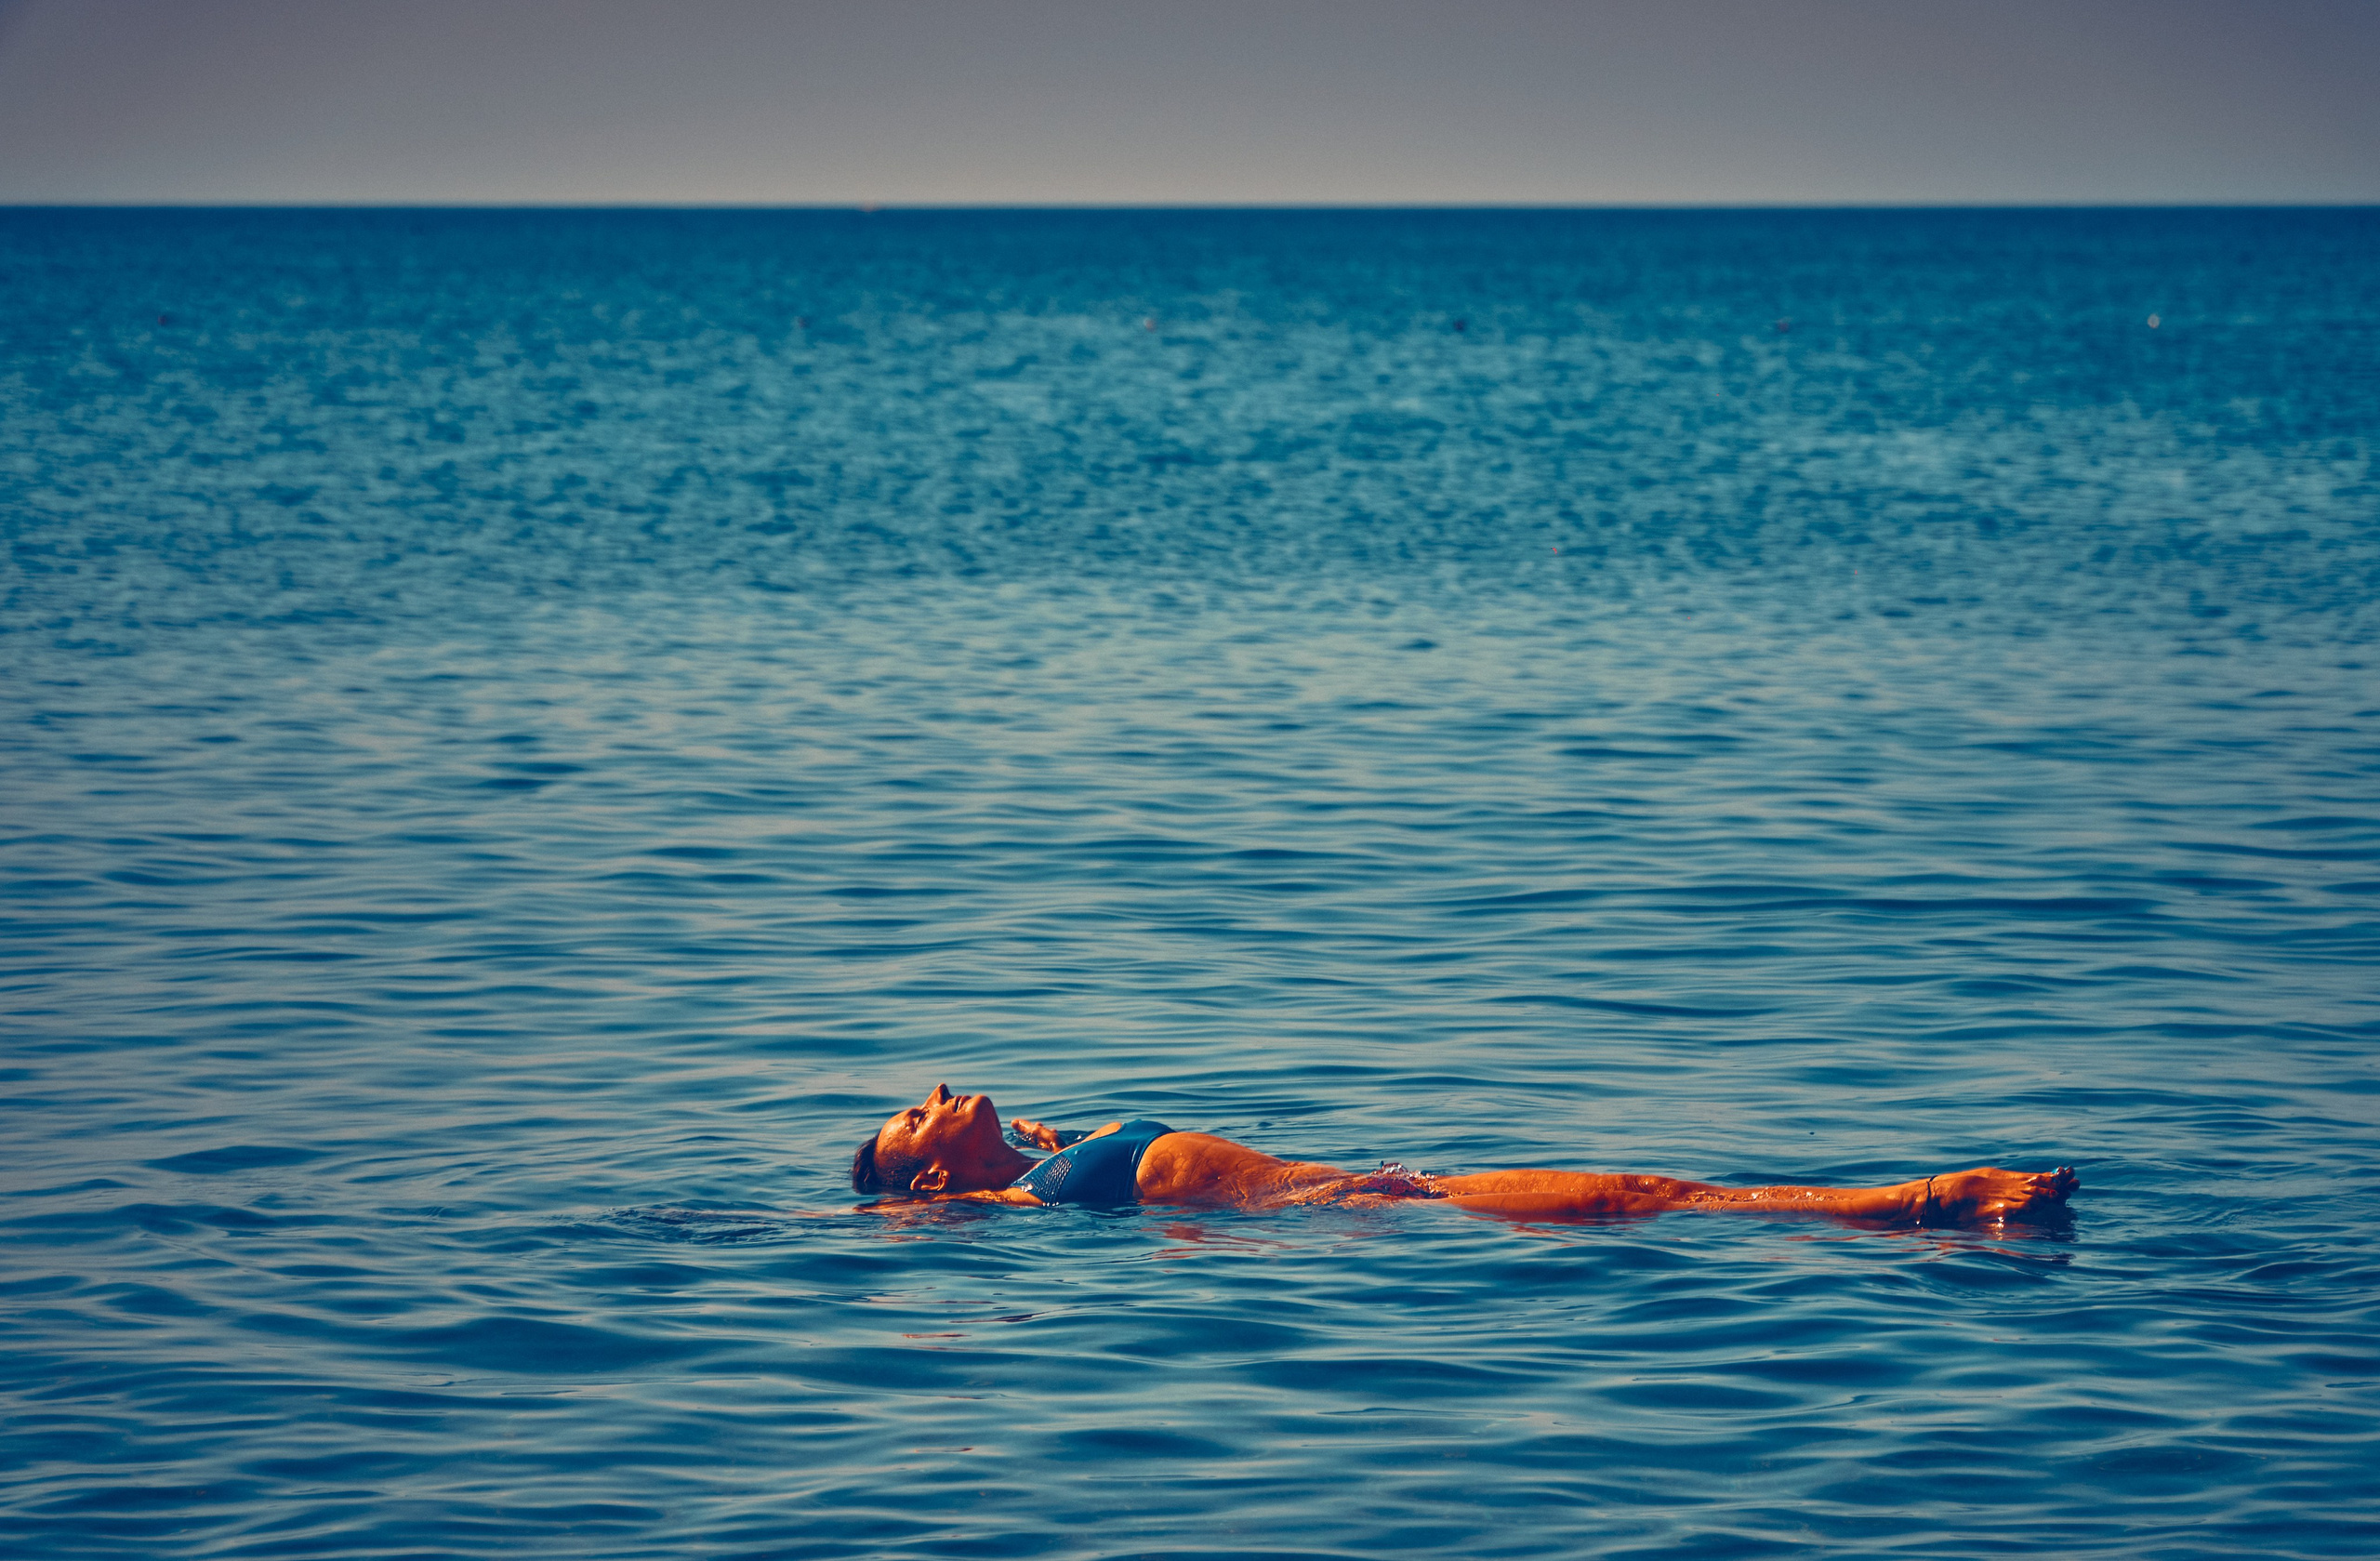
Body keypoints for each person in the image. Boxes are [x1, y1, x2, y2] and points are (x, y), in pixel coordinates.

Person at [851, 1083, 2079, 1227]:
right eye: (916, 1117)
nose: (937, 1094)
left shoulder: (1050, 1151)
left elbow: (1050, 1142)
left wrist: (1034, 1137)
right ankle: (1927, 1200)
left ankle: (1925, 1203)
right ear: (931, 1181)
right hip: (1357, 1209)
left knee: (1660, 1189)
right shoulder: (1024, 1198)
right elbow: (882, 1217)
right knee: (1654, 1202)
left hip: (1384, 1185)